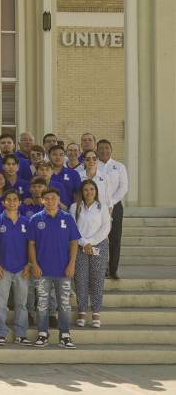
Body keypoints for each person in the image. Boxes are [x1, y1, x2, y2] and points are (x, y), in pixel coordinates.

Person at [28, 188, 80, 348]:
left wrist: (72, 264)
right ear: (42, 201)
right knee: (42, 304)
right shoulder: (36, 219)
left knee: (64, 304)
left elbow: (74, 242)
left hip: (63, 270)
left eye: (53, 198)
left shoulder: (67, 218)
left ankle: (65, 334)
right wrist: (34, 264)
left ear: (58, 200)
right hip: (42, 271)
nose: (50, 201)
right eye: (47, 199)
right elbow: (31, 244)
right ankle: (43, 333)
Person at [0, 189, 32, 345]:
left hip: (22, 269)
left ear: (20, 203)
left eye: (15, 199)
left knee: (21, 304)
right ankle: (1, 333)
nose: (12, 202)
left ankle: (20, 334)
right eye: (8, 199)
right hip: (2, 268)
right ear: (3, 203)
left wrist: (29, 264)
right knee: (0, 304)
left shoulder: (26, 222)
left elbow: (31, 245)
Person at [71, 179, 111, 329]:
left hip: (98, 246)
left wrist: (91, 242)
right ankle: (82, 311)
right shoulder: (75, 207)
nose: (89, 192)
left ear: (96, 191)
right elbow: (73, 228)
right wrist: (84, 242)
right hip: (80, 246)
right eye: (86, 189)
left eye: (92, 189)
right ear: (82, 192)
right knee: (80, 279)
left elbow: (106, 228)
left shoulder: (103, 207)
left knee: (97, 279)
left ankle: (96, 312)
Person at [96, 139, 128, 279]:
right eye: (101, 148)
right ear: (97, 150)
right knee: (98, 238)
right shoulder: (93, 165)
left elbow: (123, 187)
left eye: (107, 148)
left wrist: (111, 204)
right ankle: (99, 269)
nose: (104, 151)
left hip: (115, 207)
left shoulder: (119, 166)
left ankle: (113, 270)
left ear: (111, 149)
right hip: (96, 207)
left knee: (114, 238)